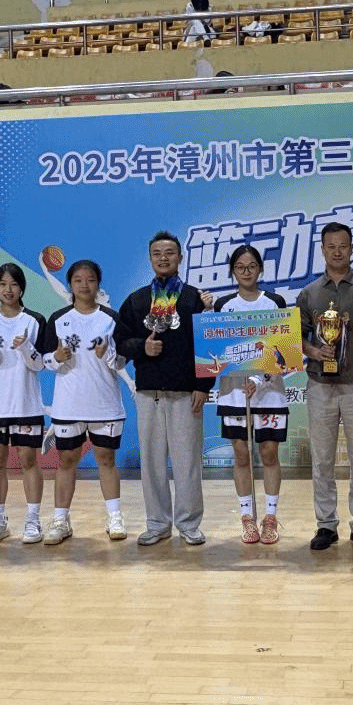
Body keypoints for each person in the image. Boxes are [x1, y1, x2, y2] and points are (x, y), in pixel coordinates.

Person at [113, 232, 215, 546]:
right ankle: (157, 523)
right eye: (157, 253)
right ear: (150, 258)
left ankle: (188, 524)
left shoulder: (195, 299)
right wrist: (142, 348)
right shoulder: (137, 300)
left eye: (169, 252)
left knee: (187, 463)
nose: (163, 258)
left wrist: (203, 385)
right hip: (148, 393)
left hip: (186, 393)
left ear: (180, 257)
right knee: (152, 463)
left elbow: (208, 343)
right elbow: (120, 342)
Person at [296, 222, 353, 551]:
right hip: (320, 384)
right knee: (322, 460)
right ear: (322, 250)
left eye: (343, 246)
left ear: (352, 249)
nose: (337, 251)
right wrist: (314, 351)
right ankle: (326, 525)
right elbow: (297, 337)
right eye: (331, 246)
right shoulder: (309, 293)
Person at [42, 259, 128, 542]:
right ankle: (60, 521)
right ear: (70, 284)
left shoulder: (111, 318)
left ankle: (114, 518)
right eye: (78, 280)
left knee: (106, 459)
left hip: (105, 405)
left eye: (90, 279)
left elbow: (121, 362)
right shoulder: (58, 319)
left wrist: (108, 355)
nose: (84, 285)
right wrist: (57, 357)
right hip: (69, 405)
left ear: (98, 283)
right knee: (67, 460)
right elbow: (44, 360)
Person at [0, 263, 50, 546]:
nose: (8, 289)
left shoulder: (35, 320)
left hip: (25, 404)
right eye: (2, 284)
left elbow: (40, 365)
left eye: (13, 284)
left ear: (22, 288)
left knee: (29, 461)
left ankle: (33, 519)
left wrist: (25, 347)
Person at [214, 246, 289, 545]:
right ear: (233, 271)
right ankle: (247, 517)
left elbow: (283, 351)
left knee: (269, 453)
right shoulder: (223, 305)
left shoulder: (274, 302)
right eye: (240, 267)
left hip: (269, 393)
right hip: (234, 393)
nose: (246, 272)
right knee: (241, 453)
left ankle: (270, 516)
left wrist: (260, 379)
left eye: (252, 266)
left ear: (260, 269)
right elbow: (214, 351)